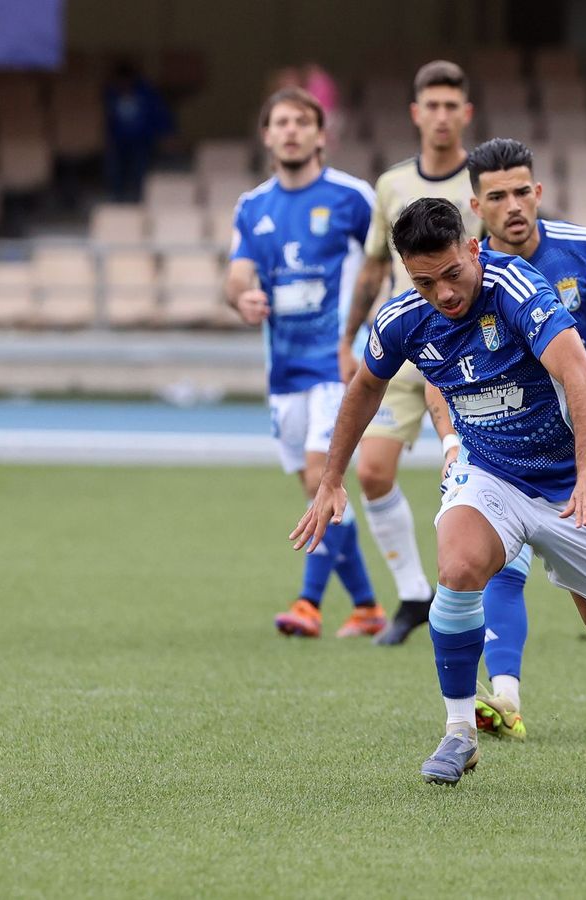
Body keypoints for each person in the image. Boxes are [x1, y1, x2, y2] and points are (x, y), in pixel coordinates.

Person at [292, 197, 586, 785]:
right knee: (458, 569)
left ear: (473, 249)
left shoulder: (516, 288)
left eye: (452, 275)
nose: (443, 294)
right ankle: (459, 732)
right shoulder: (402, 317)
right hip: (491, 474)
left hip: (572, 481)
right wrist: (332, 477)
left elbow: (580, 373)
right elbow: (365, 387)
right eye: (424, 281)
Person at [466, 137, 586, 738]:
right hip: (502, 447)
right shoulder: (465, 270)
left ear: (539, 192)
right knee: (503, 566)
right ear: (477, 205)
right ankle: (506, 698)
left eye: (522, 191)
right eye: (497, 196)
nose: (513, 205)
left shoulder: (584, 247)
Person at [224, 87, 384, 638]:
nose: (291, 130)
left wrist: (373, 330)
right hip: (284, 371)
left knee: (323, 476)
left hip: (337, 361)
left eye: (302, 121)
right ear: (266, 135)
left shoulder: (351, 197)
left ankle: (308, 603)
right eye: (281, 122)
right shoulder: (253, 206)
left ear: (322, 134)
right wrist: (240, 296)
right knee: (314, 489)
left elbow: (384, 262)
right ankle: (367, 607)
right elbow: (237, 272)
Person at [337, 61, 479, 647]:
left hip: (469, 348)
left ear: (465, 113)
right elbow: (375, 263)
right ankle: (415, 592)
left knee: (478, 479)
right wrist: (348, 339)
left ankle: (477, 601)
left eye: (453, 106)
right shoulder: (391, 185)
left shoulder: (485, 182)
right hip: (401, 347)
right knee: (370, 471)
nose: (442, 116)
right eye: (432, 106)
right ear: (416, 114)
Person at [103, 62, 172, 202]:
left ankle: (140, 198)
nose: (123, 85)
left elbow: (159, 115)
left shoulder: (146, 94)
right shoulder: (111, 94)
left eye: (125, 82)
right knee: (115, 168)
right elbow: (107, 120)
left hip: (141, 141)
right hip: (119, 141)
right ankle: (117, 196)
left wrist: (165, 134)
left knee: (140, 169)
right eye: (119, 82)